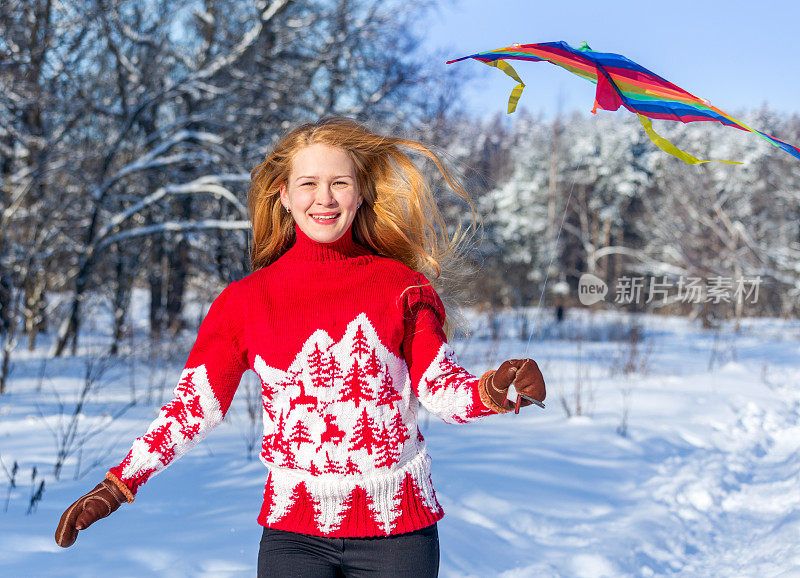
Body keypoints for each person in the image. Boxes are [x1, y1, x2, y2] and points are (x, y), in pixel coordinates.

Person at [55, 117, 546, 576]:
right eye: (309, 184)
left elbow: (441, 389)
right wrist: (119, 485)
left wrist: (495, 389)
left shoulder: (403, 288)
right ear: (284, 195)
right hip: (294, 535)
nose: (324, 198)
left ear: (360, 195)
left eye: (340, 183)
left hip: (399, 531)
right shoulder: (246, 302)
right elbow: (191, 410)